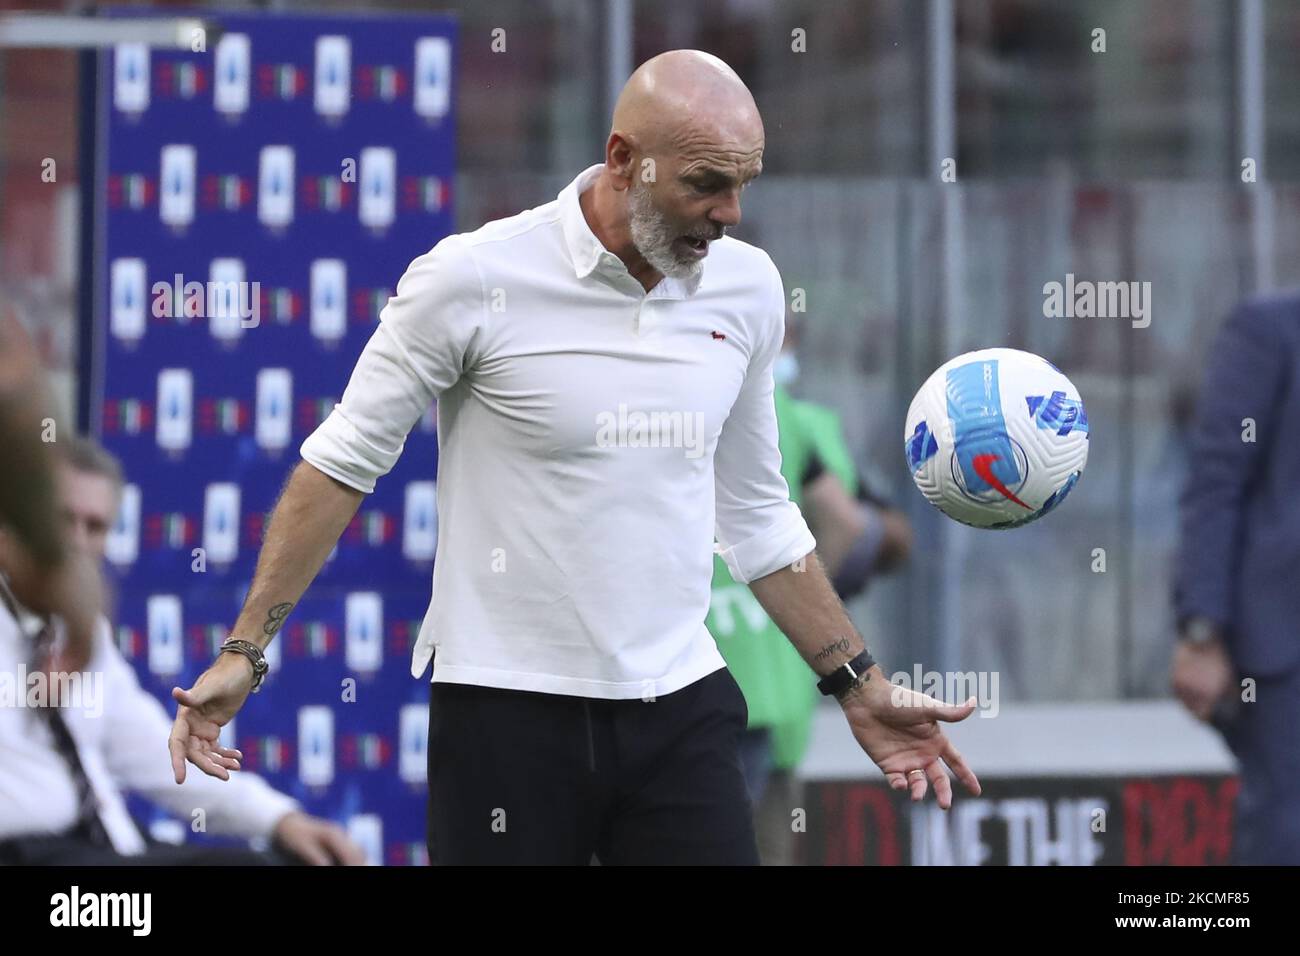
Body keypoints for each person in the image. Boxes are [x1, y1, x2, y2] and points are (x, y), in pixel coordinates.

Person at [170, 49, 981, 865]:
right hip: (505, 715)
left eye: (745, 183)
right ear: (624, 160)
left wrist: (860, 684)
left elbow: (759, 514)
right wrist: (246, 648)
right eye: (706, 183)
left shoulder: (748, 288)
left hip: (683, 705)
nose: (730, 212)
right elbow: (340, 466)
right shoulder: (470, 276)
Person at [0, 437, 365, 865]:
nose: (78, 542)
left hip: (110, 845)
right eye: (63, 520)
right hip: (30, 852)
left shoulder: (81, 632)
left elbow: (159, 756)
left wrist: (280, 819)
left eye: (95, 526)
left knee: (282, 862)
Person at [708, 335, 912, 864]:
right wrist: (812, 601)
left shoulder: (638, 396)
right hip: (770, 682)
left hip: (660, 684)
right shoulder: (784, 411)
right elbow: (849, 522)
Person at [1172, 294, 1300, 865]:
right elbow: (1216, 481)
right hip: (1285, 653)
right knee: (1285, 832)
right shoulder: (1270, 329)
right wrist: (1202, 630)